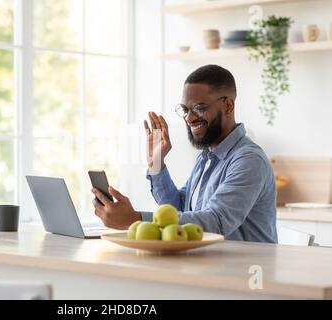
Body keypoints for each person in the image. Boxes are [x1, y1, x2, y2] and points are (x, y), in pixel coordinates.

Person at [91, 64, 277, 243]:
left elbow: (217, 222)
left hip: (247, 271)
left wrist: (135, 220)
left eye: (199, 108)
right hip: (210, 266)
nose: (189, 118)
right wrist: (156, 164)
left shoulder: (249, 160)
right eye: (186, 110)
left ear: (228, 106)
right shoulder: (206, 157)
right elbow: (179, 208)